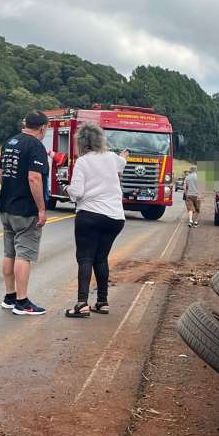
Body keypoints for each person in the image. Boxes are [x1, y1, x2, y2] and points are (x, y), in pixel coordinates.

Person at [65, 123, 128, 317]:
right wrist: (123, 157)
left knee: (85, 258)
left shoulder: (82, 162)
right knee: (101, 258)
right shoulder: (111, 158)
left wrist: (65, 189)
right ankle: (102, 302)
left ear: (81, 143)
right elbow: (122, 163)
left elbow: (77, 193)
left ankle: (82, 304)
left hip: (90, 215)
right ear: (100, 140)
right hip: (115, 218)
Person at [0, 112, 50, 315]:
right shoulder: (35, 146)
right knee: (24, 254)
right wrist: (42, 209)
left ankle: (9, 296)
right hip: (25, 210)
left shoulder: (10, 142)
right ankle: (22, 302)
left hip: (6, 207)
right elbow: (34, 178)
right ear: (42, 128)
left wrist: (11, 189)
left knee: (9, 252)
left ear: (25, 124)